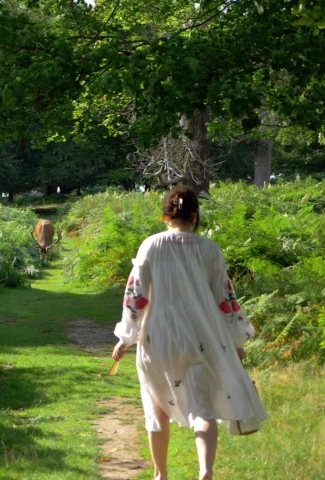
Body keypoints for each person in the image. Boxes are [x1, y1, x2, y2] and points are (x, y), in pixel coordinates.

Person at [111, 185, 267, 480]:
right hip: (203, 337)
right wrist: (235, 340)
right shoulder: (210, 249)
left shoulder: (151, 245)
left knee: (156, 407)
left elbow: (136, 296)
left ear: (166, 215)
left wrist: (125, 337)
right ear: (195, 215)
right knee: (203, 408)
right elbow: (225, 298)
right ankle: (205, 472)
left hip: (159, 337)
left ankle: (161, 475)